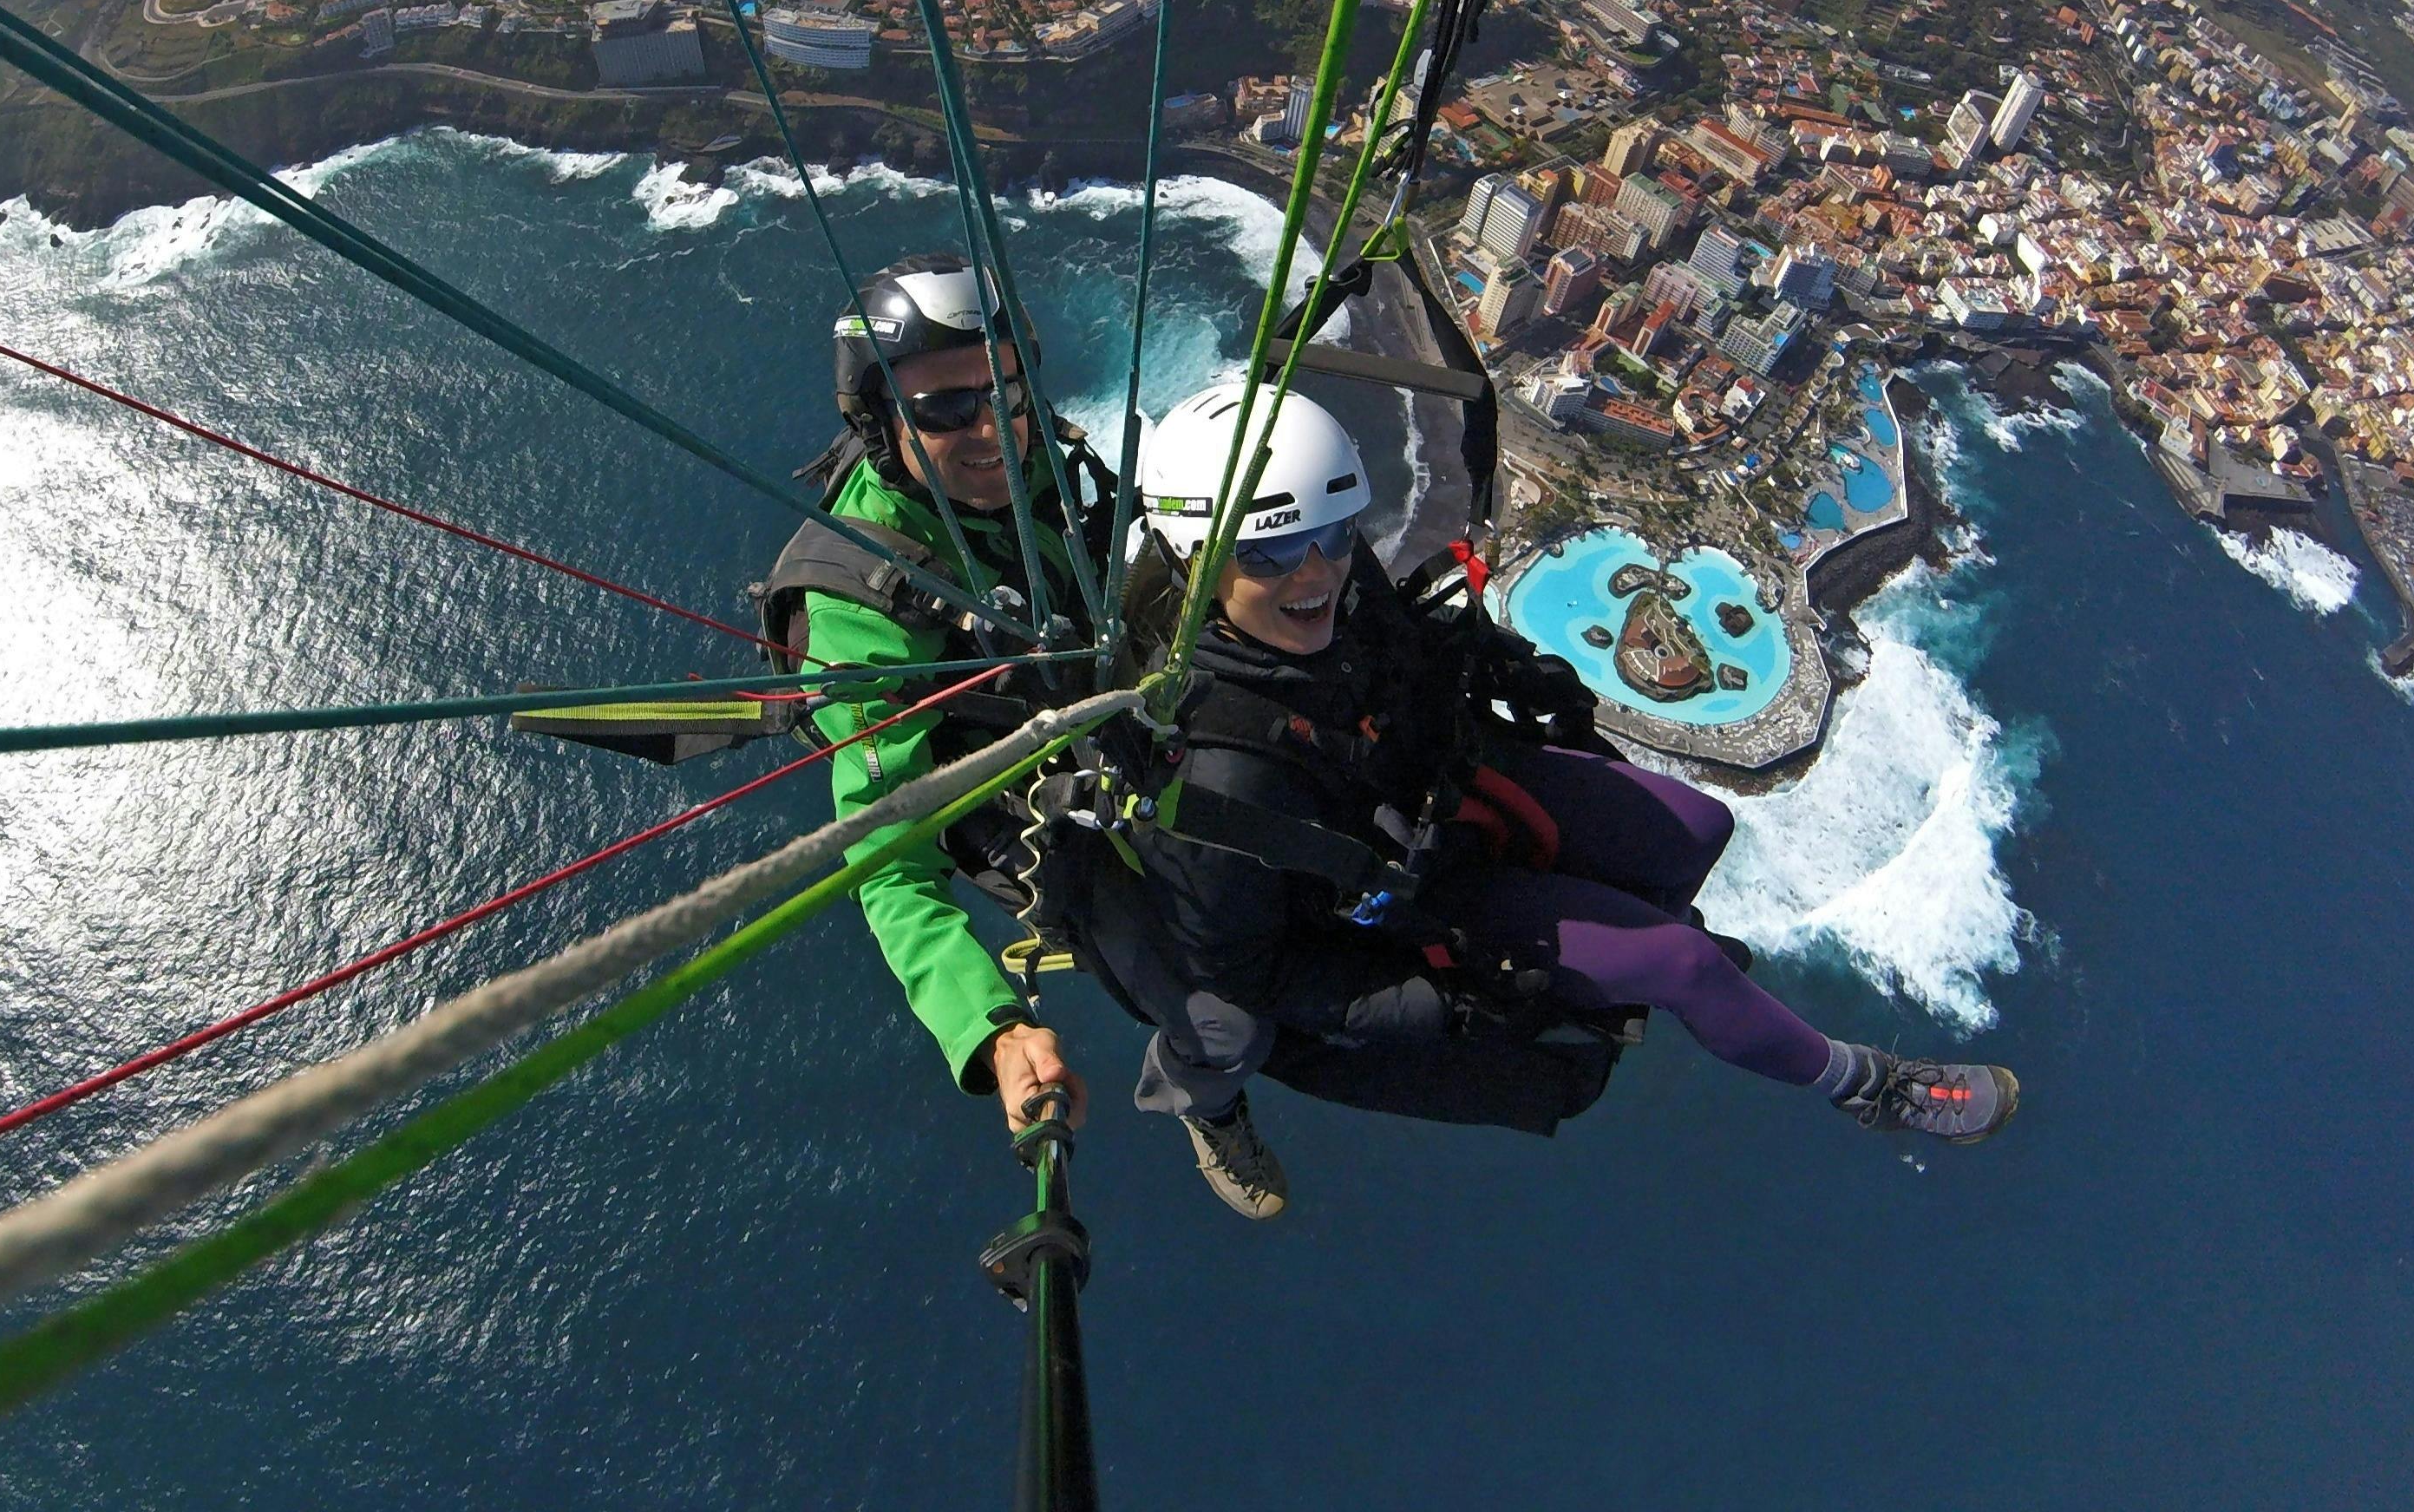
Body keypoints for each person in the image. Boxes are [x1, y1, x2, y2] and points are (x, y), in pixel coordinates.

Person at [1104, 382, 2020, 1218]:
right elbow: (1244, 971)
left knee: (1704, 823)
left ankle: (1623, 945)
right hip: (1389, 890)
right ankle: (1871, 1087)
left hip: (1433, 786)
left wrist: (1503, 663)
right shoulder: (1222, 776)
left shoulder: (1333, 589)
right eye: (1273, 550)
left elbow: (1403, 646)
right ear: (1200, 558)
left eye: (1335, 534)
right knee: (1683, 967)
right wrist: (1413, 1002)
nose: (1317, 574)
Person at [768, 255, 1111, 1134]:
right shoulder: (858, 612)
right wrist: (992, 1030)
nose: (993, 429)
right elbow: (887, 856)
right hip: (989, 775)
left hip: (1075, 681)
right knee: (1166, 945)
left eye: (1007, 393)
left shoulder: (1020, 463)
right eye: (949, 411)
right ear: (882, 425)